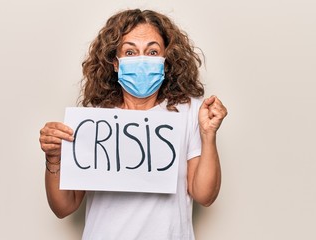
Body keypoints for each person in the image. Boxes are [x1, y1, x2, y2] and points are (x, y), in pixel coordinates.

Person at [39, 9, 227, 240]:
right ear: (115, 63)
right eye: (130, 51)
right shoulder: (93, 120)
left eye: (152, 51)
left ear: (166, 61)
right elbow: (63, 207)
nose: (141, 60)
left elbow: (204, 196)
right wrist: (54, 157)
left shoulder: (190, 112)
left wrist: (209, 135)